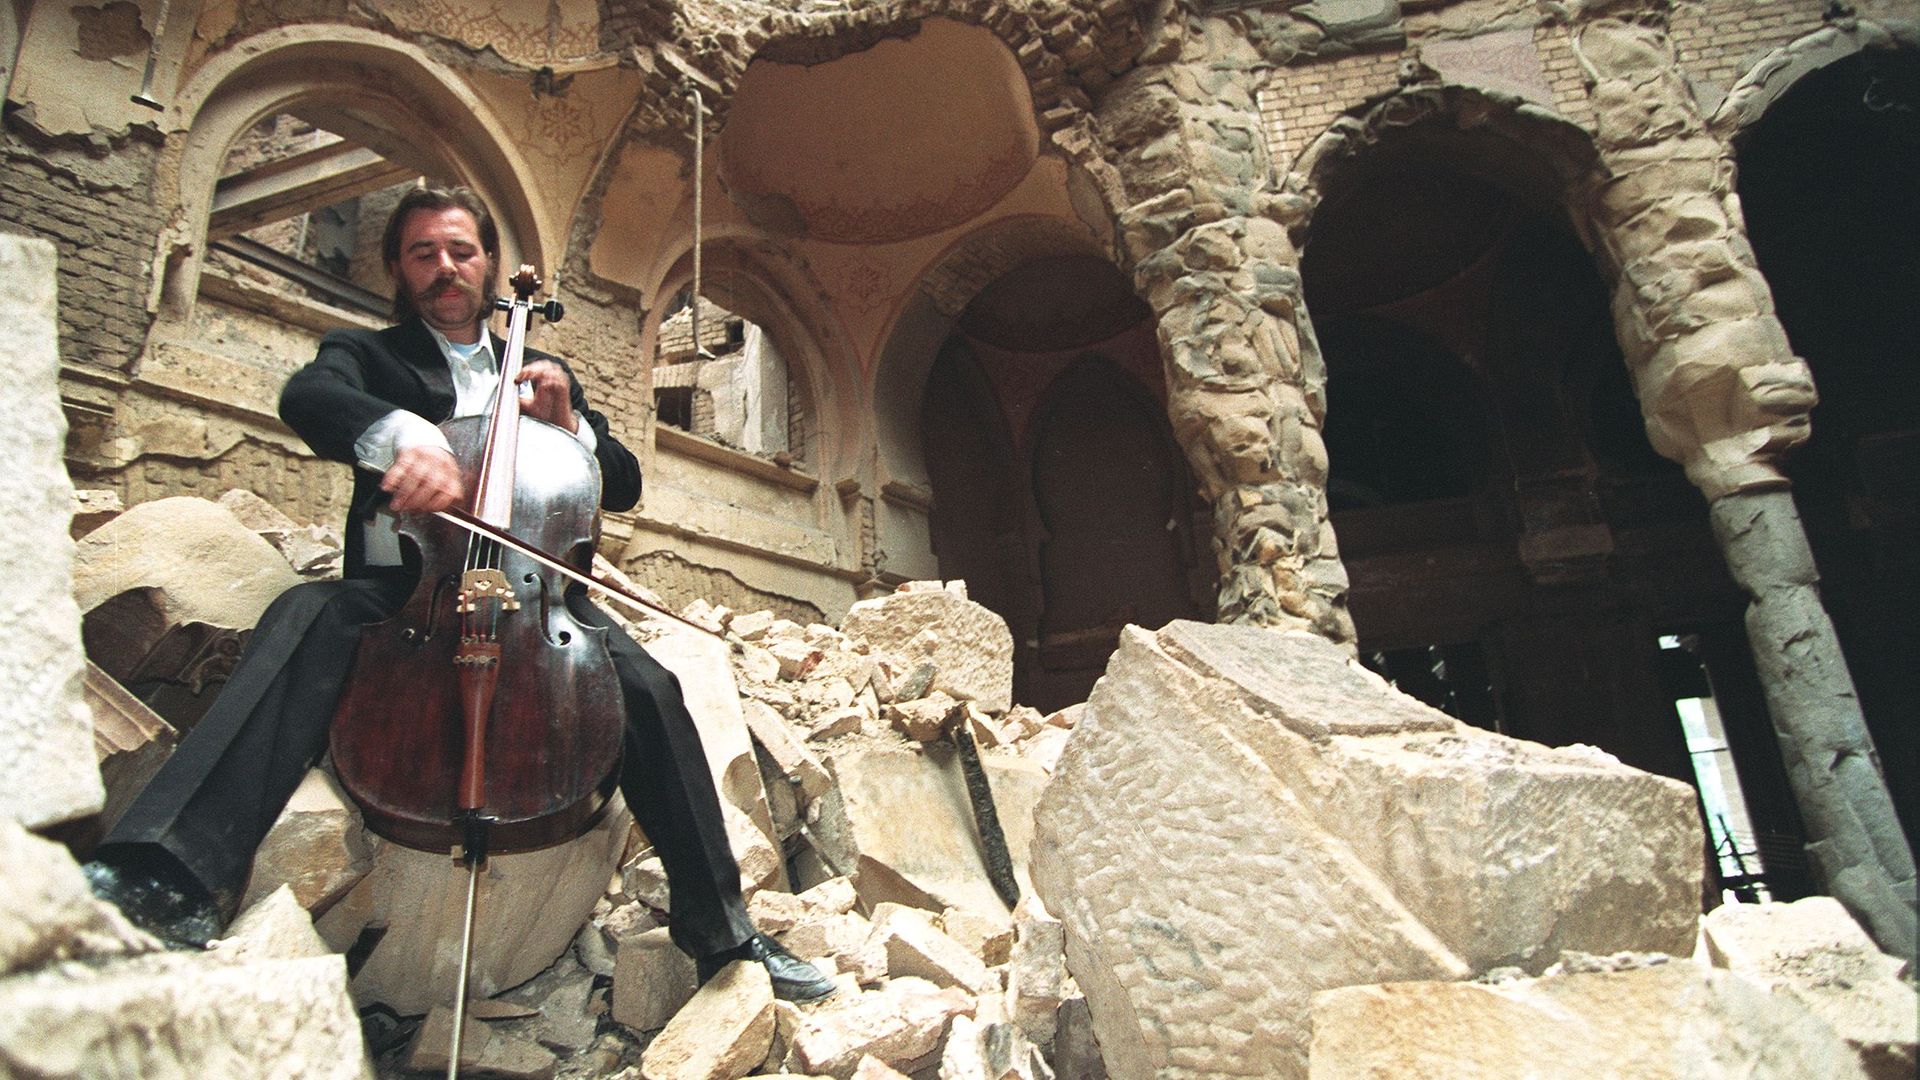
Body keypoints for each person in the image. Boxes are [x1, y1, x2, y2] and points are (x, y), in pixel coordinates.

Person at [85, 185, 835, 1003]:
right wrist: (403, 433)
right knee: (305, 614)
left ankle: (723, 933)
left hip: (535, 597)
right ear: (401, 272)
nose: (444, 268)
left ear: (485, 264)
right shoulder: (369, 356)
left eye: (460, 251)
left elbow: (619, 484)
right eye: (422, 254)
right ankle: (165, 874)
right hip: (407, 588)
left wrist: (573, 429)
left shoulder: (548, 375)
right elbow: (308, 399)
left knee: (652, 688)